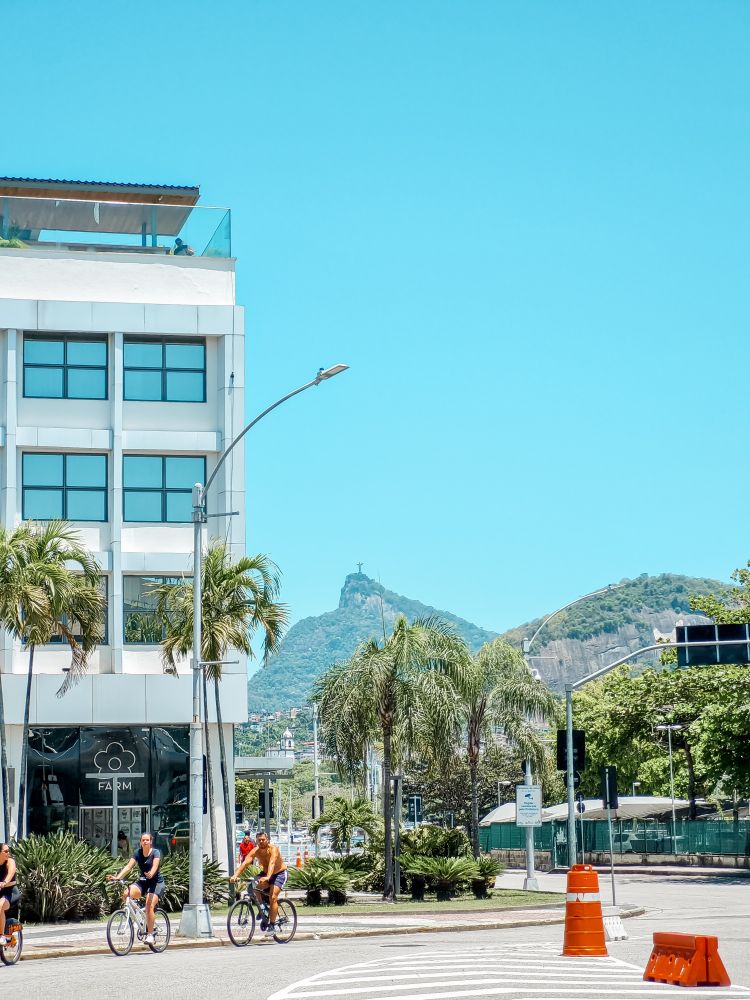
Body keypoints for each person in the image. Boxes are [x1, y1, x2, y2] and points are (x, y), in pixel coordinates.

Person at [107, 832, 165, 945]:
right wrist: (117, 878)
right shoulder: (138, 853)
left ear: (150, 842)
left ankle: (150, 934)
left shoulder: (155, 852)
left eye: (147, 840)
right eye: (143, 840)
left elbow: (155, 866)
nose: (145, 842)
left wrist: (151, 873)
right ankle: (136, 916)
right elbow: (129, 867)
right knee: (125, 894)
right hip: (143, 882)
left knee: (149, 905)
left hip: (156, 882)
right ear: (140, 842)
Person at [230, 831, 287, 935]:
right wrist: (235, 875)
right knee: (255, 886)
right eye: (259, 840)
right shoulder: (255, 851)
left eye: (263, 840)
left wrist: (268, 877)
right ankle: (263, 907)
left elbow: (272, 863)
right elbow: (245, 863)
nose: (261, 842)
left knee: (273, 897)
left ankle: (272, 926)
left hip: (279, 874)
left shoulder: (273, 849)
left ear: (267, 840)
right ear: (256, 841)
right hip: (265, 874)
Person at [0, 844, 20, 945]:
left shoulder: (10, 862)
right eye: (6, 851)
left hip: (10, 892)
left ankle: (1, 936)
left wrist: (4, 882)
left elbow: (11, 873)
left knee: (0, 904)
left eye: (9, 851)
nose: (8, 853)